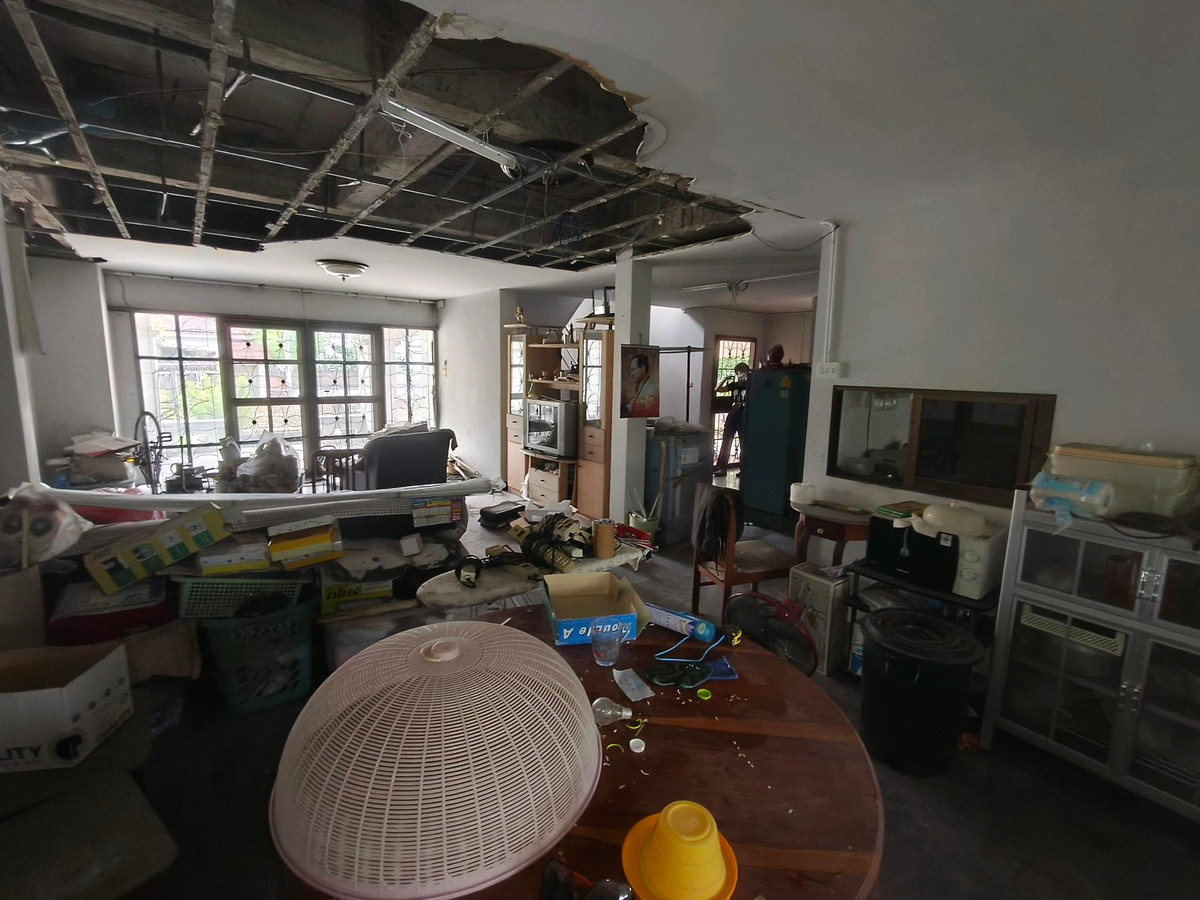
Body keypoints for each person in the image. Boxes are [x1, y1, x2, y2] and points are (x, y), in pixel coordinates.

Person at [713, 362, 750, 474]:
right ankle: (721, 467)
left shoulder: (750, 386)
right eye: (740, 372)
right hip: (733, 415)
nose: (741, 374)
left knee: (744, 444)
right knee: (726, 441)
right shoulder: (734, 385)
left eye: (744, 371)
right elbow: (718, 389)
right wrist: (725, 379)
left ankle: (744, 469)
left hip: (744, 416)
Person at [622, 352, 659, 417]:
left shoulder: (651, 388)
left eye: (633, 369)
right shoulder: (639, 388)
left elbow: (648, 409)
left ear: (643, 368)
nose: (631, 374)